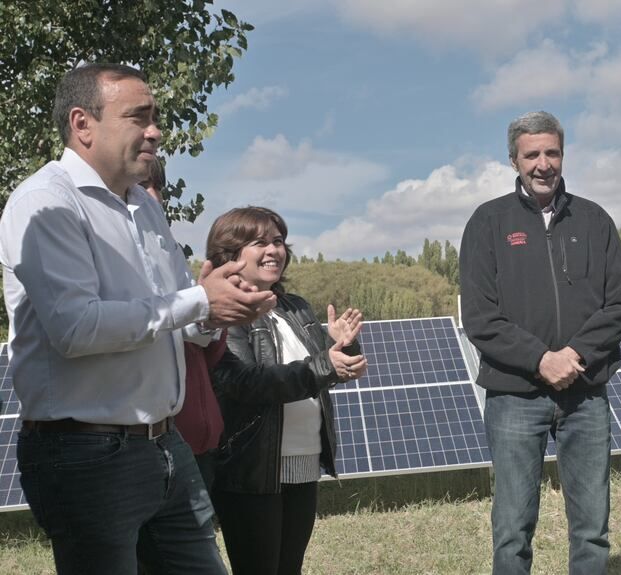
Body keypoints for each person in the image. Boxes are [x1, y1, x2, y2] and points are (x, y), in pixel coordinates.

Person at [0, 63, 275, 573]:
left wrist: (217, 310)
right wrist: (198, 302)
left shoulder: (143, 208)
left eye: (155, 118)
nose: (155, 132)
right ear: (82, 124)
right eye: (138, 117)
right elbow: (76, 329)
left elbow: (177, 318)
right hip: (85, 454)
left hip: (165, 444)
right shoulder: (45, 203)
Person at [459, 111, 621, 574]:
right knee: (512, 530)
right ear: (514, 161)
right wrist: (540, 359)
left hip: (585, 393)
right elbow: (480, 317)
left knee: (592, 529)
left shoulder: (594, 220)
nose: (543, 164)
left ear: (563, 154)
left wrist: (574, 355)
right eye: (532, 155)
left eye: (552, 153)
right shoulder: (488, 222)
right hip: (514, 397)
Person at [207, 206, 367, 575]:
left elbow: (321, 369)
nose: (274, 250)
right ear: (230, 253)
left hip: (303, 461)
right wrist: (326, 365)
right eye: (259, 242)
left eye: (278, 241)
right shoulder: (225, 313)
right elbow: (247, 383)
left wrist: (344, 347)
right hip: (252, 471)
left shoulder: (295, 308)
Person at [139, 157, 226, 492]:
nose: (154, 196)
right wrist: (200, 304)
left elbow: (196, 337)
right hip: (143, 440)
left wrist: (211, 316)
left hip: (189, 438)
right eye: (142, 186)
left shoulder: (168, 252)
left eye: (157, 187)